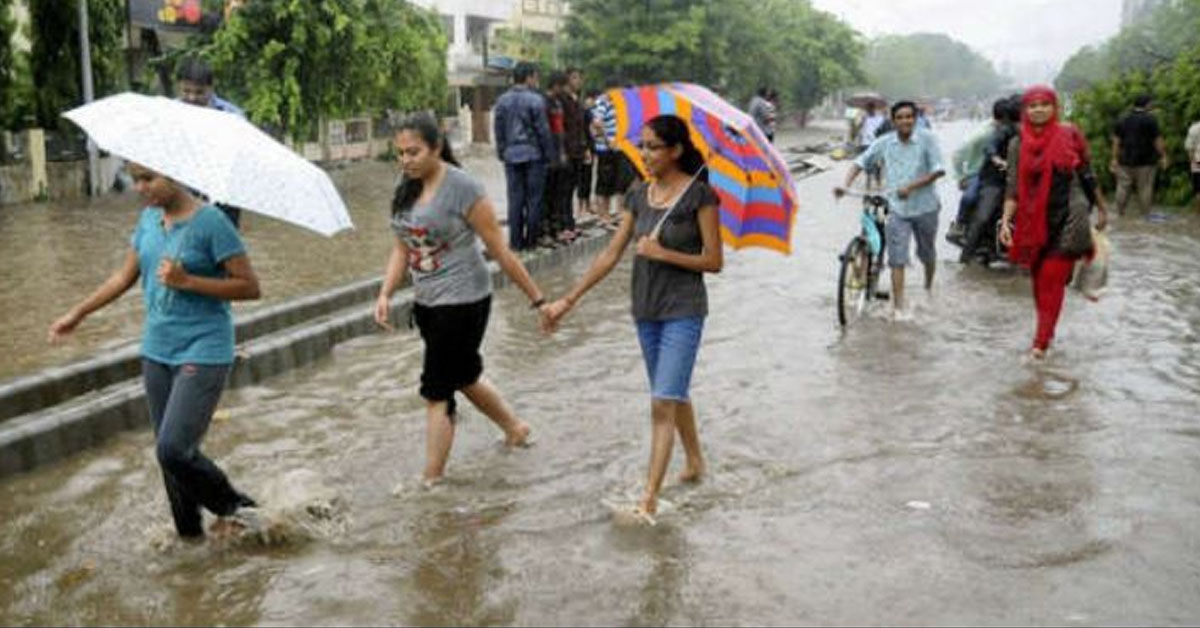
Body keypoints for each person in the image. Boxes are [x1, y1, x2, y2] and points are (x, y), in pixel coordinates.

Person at [49, 162, 261, 540]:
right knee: (171, 463)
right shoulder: (149, 219)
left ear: (175, 174)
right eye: (135, 179)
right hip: (157, 351)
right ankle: (190, 541)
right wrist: (77, 313)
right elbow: (123, 276)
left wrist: (189, 281)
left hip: (204, 347)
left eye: (148, 179)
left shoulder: (211, 222)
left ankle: (240, 509)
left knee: (173, 450)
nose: (139, 188)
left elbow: (249, 287)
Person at [545, 114, 723, 520]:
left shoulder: (701, 197)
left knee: (662, 402)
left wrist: (664, 254)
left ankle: (648, 499)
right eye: (642, 145)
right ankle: (695, 463)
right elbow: (609, 254)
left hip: (684, 309)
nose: (644, 154)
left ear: (676, 151)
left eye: (652, 147)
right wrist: (567, 300)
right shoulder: (638, 195)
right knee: (671, 390)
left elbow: (713, 262)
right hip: (645, 307)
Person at [375, 113, 551, 482]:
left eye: (414, 152)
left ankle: (431, 481)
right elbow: (401, 249)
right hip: (427, 301)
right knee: (465, 374)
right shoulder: (405, 187)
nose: (406, 160)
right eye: (400, 153)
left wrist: (538, 300)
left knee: (437, 390)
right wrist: (385, 293)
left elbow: (499, 251)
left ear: (437, 147)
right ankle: (516, 429)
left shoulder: (463, 188)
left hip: (464, 300)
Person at [999, 86, 1109, 361]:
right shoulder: (1017, 144)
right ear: (1025, 111)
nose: (1038, 110)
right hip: (1032, 218)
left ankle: (1040, 345)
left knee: (1052, 279)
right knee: (1038, 282)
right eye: (1032, 106)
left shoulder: (1069, 134)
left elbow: (1087, 173)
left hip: (1071, 213)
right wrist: (1005, 222)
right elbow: (1013, 187)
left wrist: (1103, 208)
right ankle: (1047, 331)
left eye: (1044, 104)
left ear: (1054, 107)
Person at [835, 101, 946, 321]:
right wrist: (845, 185)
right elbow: (860, 162)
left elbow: (938, 170)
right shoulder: (884, 142)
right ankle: (898, 308)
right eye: (900, 117)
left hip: (926, 207)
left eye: (909, 117)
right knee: (897, 258)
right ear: (893, 121)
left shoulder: (927, 139)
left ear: (915, 119)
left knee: (927, 253)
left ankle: (928, 286)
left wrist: (911, 187)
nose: (905, 121)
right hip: (897, 209)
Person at [175, 56, 246, 229]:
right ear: (179, 86)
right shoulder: (169, 114)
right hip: (180, 193)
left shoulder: (232, 117)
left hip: (223, 197)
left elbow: (240, 159)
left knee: (223, 250)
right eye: (186, 91)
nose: (192, 98)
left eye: (199, 92)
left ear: (211, 88)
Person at [494, 62, 556, 251]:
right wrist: (550, 154)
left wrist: (502, 151)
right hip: (533, 155)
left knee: (515, 199)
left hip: (511, 155)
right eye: (535, 76)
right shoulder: (536, 100)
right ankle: (531, 242)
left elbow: (498, 130)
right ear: (529, 77)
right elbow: (543, 130)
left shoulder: (502, 101)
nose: (537, 81)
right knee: (534, 199)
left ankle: (515, 243)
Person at [948, 96, 1017, 249]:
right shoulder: (985, 134)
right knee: (969, 197)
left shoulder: (1015, 131)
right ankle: (960, 225)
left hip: (1006, 173)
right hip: (979, 173)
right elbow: (958, 153)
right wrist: (961, 176)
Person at [1110, 94, 1167, 215]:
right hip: (1146, 161)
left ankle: (1119, 213)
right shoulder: (1151, 119)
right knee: (1145, 188)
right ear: (1147, 104)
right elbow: (1157, 140)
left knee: (1122, 187)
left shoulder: (1122, 119)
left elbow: (1116, 141)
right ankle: (1145, 215)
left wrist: (1114, 159)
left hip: (1124, 160)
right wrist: (1163, 156)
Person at [541, 71, 571, 248]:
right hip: (548, 157)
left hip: (560, 154)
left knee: (558, 195)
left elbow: (561, 130)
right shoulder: (543, 103)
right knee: (547, 196)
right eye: (563, 85)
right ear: (556, 85)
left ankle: (556, 230)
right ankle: (545, 233)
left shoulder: (558, 103)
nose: (565, 89)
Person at [1185, 117, 1200, 211]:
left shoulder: (1194, 128)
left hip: (1197, 161)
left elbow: (1190, 148)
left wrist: (1192, 162)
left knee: (1198, 189)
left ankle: (1199, 211)